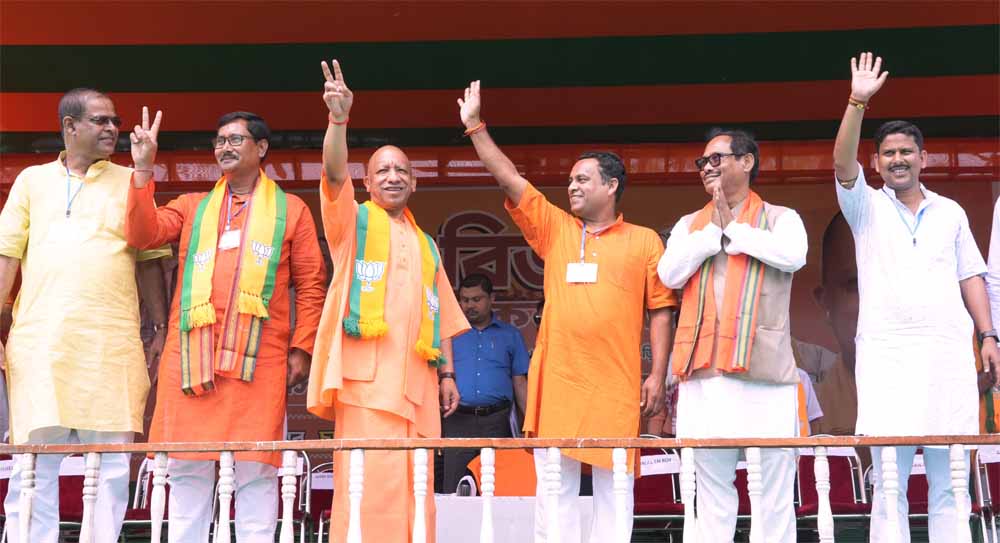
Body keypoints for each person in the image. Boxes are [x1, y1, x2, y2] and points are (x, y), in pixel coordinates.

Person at [459, 80, 677, 542]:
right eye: (572, 179)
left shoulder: (644, 241)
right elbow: (510, 179)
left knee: (615, 490)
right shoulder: (557, 229)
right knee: (555, 488)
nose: (572, 186)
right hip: (558, 383)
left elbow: (661, 309)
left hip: (615, 386)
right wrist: (476, 127)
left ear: (611, 186)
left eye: (583, 179)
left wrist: (657, 374)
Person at [125, 110, 327, 542]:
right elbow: (143, 234)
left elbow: (312, 283)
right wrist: (143, 169)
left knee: (256, 471)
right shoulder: (192, 206)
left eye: (235, 139)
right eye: (219, 141)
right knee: (187, 470)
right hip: (190, 359)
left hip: (259, 361)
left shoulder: (292, 210)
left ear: (262, 148)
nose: (225, 147)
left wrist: (303, 348)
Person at [832, 52, 999, 542]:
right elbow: (841, 162)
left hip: (947, 357)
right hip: (888, 359)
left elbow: (971, 276)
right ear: (876, 163)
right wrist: (857, 102)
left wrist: (988, 335)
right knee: (890, 482)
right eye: (888, 153)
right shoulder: (864, 205)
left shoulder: (950, 212)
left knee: (952, 481)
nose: (898, 159)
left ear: (924, 158)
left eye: (907, 151)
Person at [306, 60, 468, 543]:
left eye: (402, 170)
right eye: (382, 170)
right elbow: (333, 173)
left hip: (418, 387)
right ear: (368, 183)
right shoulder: (351, 223)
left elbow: (441, 315)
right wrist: (338, 120)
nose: (393, 177)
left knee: (416, 490)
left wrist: (447, 375)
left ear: (414, 183)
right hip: (366, 385)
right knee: (366, 488)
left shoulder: (427, 244)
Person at [0, 88, 169, 543]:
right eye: (100, 121)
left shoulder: (132, 179)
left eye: (115, 121)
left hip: (110, 346)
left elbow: (150, 258)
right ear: (69, 127)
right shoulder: (32, 181)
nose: (112, 129)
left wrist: (159, 326)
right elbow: (7, 255)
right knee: (32, 465)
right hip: (42, 344)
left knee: (110, 466)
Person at [658, 127, 807, 541]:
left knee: (773, 490)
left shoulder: (782, 218)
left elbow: (793, 256)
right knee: (709, 492)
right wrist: (713, 234)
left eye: (716, 159)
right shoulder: (690, 224)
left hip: (766, 375)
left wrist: (734, 230)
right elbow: (669, 274)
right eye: (702, 162)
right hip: (705, 377)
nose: (707, 168)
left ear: (746, 161)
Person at [439, 273, 530, 492]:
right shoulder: (448, 336)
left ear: (492, 299)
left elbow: (520, 383)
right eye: (464, 300)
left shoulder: (510, 335)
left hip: (497, 421)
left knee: (498, 486)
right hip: (457, 420)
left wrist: (530, 427)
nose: (469, 305)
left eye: (476, 299)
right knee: (455, 488)